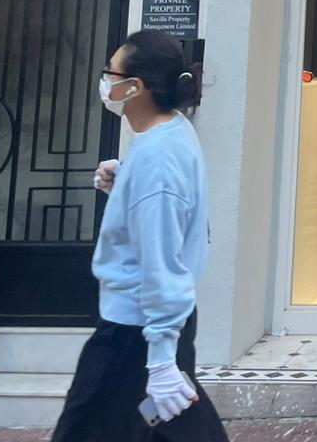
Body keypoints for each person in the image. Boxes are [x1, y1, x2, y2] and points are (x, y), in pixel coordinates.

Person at [51, 30, 227, 442]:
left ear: (136, 86)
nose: (105, 83)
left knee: (89, 428)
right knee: (160, 425)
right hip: (150, 325)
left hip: (135, 332)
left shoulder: (156, 159)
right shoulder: (171, 133)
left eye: (111, 74)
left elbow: (162, 262)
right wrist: (127, 183)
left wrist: (161, 361)